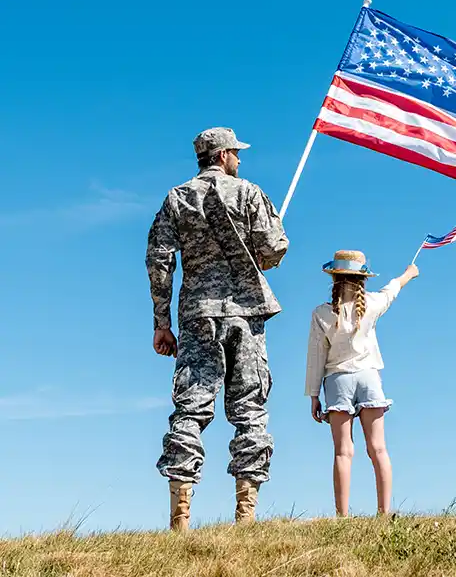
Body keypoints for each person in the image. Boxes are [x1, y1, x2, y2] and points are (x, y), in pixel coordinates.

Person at [145, 127, 289, 531]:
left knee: (190, 408)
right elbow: (274, 248)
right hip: (245, 314)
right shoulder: (249, 193)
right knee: (249, 409)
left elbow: (159, 260)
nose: (240, 160)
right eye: (236, 153)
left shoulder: (177, 197)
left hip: (197, 315)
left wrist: (162, 322)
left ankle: (180, 519)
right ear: (223, 154)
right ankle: (245, 517)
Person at [305, 250, 418, 516]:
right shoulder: (372, 304)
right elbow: (391, 290)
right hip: (368, 377)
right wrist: (408, 274)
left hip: (337, 380)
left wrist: (313, 395)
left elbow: (315, 356)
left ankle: (342, 516)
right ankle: (384, 513)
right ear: (362, 279)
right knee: (378, 448)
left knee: (343, 452)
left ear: (334, 278)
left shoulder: (322, 313)